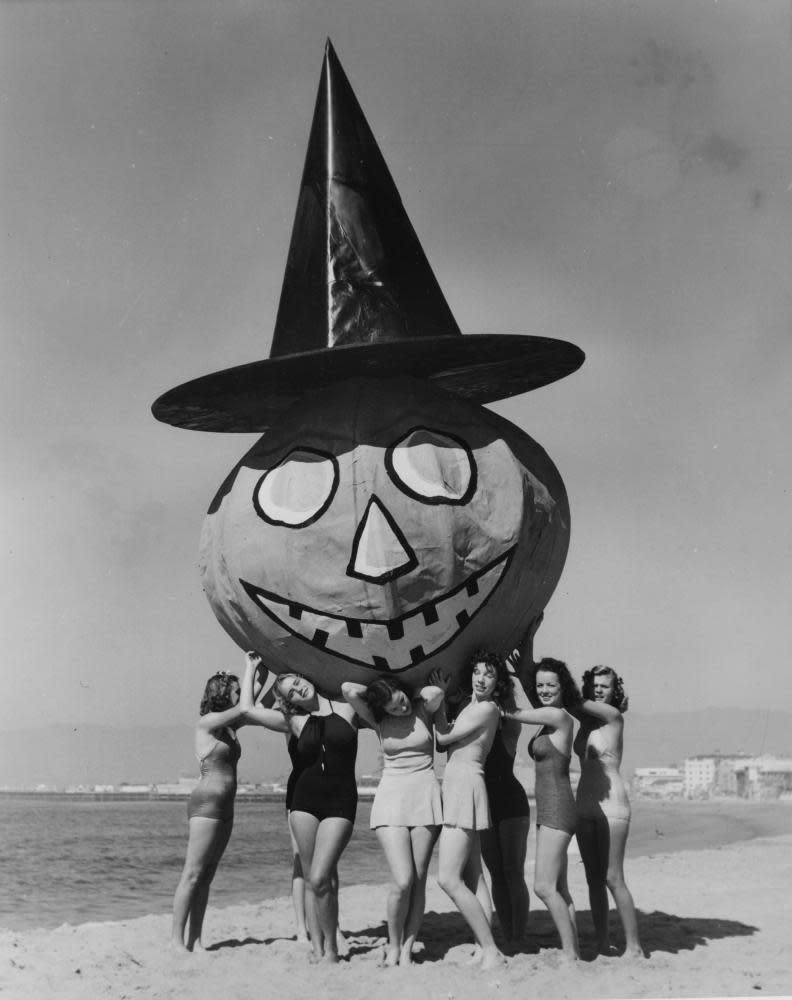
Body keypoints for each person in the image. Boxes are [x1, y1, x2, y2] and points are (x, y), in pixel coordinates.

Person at [241, 664, 360, 964]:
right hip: (304, 802)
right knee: (311, 879)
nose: (297, 689)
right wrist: (250, 668)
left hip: (341, 802)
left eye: (296, 681)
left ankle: (330, 947)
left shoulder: (347, 706)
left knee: (321, 877)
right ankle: (318, 949)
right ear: (289, 701)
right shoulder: (293, 720)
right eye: (290, 691)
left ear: (307, 676)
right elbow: (247, 709)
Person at [341, 673, 445, 966]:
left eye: (400, 702)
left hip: (425, 794)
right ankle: (394, 945)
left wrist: (403, 689)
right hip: (391, 798)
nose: (401, 710)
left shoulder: (423, 708)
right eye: (394, 709)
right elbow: (349, 688)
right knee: (402, 879)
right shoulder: (378, 720)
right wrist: (380, 696)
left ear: (404, 692)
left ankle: (408, 948)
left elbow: (435, 691)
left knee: (419, 879)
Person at [171, 652, 258, 952]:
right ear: (222, 694)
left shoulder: (230, 728)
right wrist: (249, 667)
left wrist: (263, 669)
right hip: (206, 806)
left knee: (207, 876)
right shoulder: (207, 723)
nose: (239, 694)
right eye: (234, 689)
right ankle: (175, 942)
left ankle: (195, 940)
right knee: (193, 873)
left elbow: (255, 700)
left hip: (225, 808)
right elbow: (248, 705)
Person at [434, 651, 510, 970]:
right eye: (477, 672)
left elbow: (442, 739)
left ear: (498, 683)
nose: (481, 678)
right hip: (461, 784)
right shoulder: (474, 705)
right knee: (474, 875)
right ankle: (483, 947)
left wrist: (437, 699)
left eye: (489, 674)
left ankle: (491, 949)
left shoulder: (487, 708)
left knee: (448, 878)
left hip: (464, 785)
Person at [504, 649, 581, 960]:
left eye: (551, 685)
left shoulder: (558, 717)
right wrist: (527, 644)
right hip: (552, 808)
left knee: (543, 886)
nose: (545, 691)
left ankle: (571, 954)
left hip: (557, 808)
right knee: (560, 888)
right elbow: (530, 691)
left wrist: (491, 692)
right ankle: (573, 948)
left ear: (563, 686)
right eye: (540, 686)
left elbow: (513, 713)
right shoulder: (548, 718)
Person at [477, 620, 542, 950]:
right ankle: (508, 934)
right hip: (485, 805)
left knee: (513, 872)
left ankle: (521, 934)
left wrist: (524, 662)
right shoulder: (472, 715)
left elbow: (542, 711)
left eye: (490, 675)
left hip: (512, 803)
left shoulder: (507, 716)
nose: (483, 680)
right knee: (496, 874)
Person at [574, 665, 643, 958]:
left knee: (613, 877)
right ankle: (602, 941)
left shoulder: (614, 718)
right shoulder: (585, 722)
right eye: (595, 685)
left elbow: (564, 700)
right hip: (585, 803)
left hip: (612, 803)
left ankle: (635, 948)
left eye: (605, 685)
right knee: (592, 878)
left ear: (615, 691)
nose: (600, 689)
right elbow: (559, 702)